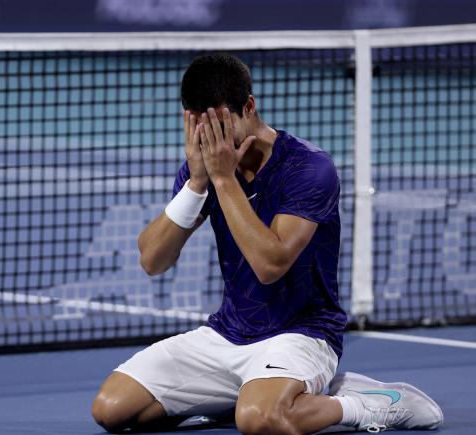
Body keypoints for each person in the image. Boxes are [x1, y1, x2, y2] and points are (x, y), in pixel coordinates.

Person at [91, 53, 443, 434]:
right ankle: (251, 391)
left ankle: (365, 404)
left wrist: (223, 180)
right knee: (112, 410)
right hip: (227, 333)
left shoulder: (309, 168)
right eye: (201, 128)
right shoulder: (206, 166)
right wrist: (197, 183)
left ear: (249, 106)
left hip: (303, 334)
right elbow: (152, 261)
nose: (213, 141)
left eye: (221, 125)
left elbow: (271, 264)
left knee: (261, 420)